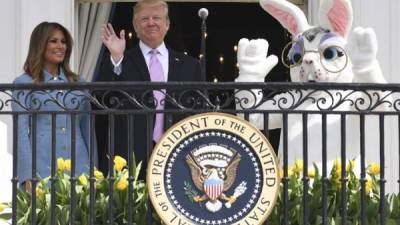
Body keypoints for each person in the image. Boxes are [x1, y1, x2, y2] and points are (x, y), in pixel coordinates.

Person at [96, 0, 204, 176]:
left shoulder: (190, 66)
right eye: (144, 18)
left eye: (157, 18)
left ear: (167, 24)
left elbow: (201, 113)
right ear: (135, 25)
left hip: (178, 156)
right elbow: (101, 98)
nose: (151, 22)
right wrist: (116, 58)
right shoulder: (122, 60)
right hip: (129, 157)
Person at [12, 22, 97, 191]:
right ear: (40, 44)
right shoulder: (24, 83)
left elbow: (88, 129)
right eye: (53, 41)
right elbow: (21, 132)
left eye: (63, 42)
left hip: (79, 165)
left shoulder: (78, 82)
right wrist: (27, 175)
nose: (60, 46)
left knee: (80, 217)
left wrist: (94, 170)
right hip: (42, 166)